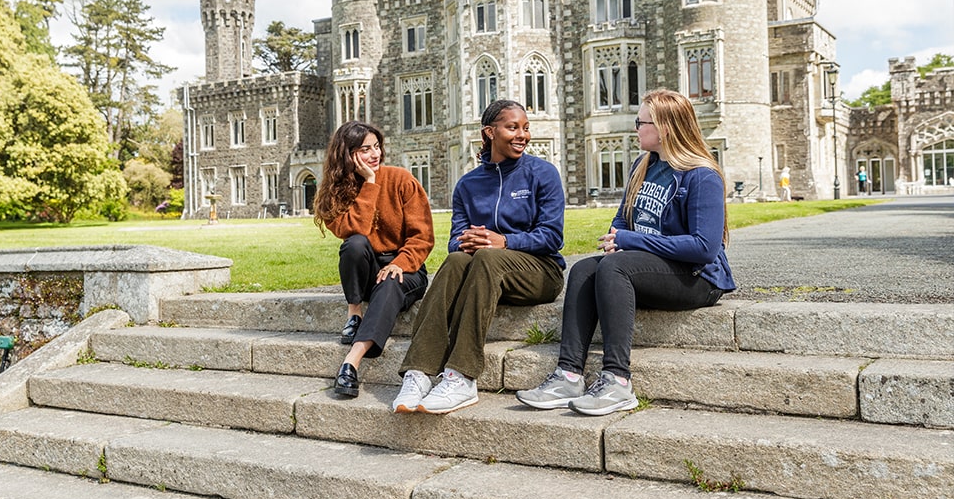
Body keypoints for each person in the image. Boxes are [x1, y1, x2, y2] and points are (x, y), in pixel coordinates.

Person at [517, 89, 736, 416]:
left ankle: (617, 381)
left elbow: (703, 248)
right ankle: (568, 376)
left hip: (698, 277)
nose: (636, 128)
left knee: (615, 268)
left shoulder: (701, 175)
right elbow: (623, 219)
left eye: (641, 122)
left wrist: (631, 241)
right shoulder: (644, 165)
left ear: (664, 127)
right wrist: (617, 237)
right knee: (584, 270)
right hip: (650, 266)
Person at [391, 100, 566, 415]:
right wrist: (468, 243)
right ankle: (419, 373)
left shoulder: (543, 173)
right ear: (490, 132)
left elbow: (552, 237)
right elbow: (455, 243)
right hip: (484, 273)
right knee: (458, 260)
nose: (522, 135)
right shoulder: (468, 185)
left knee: (486, 257)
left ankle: (461, 376)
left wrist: (504, 241)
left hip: (540, 272)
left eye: (525, 128)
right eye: (513, 127)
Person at [313, 121, 435, 399]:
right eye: (365, 149)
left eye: (377, 147)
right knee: (354, 245)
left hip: (407, 267)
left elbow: (423, 237)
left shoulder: (401, 179)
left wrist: (398, 264)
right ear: (347, 154)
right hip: (367, 269)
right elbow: (352, 231)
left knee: (391, 281)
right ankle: (354, 312)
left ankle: (351, 362)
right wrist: (369, 184)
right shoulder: (337, 191)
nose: (374, 154)